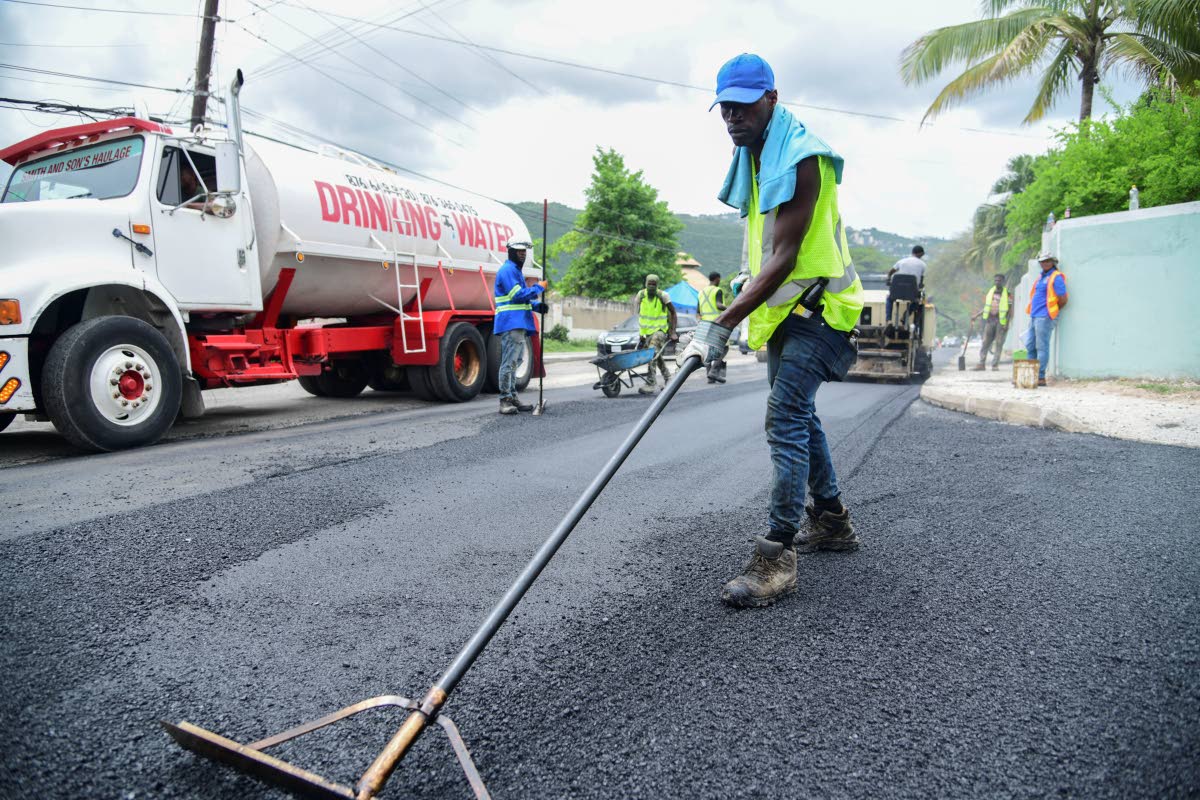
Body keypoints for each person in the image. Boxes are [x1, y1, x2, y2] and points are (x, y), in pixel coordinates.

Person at [677, 53, 864, 609]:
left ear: (772, 99)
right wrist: (743, 292)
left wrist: (720, 322)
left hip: (823, 309)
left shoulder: (803, 157)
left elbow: (784, 256)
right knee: (800, 415)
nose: (732, 117)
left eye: (743, 105)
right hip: (790, 311)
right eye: (725, 107)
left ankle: (776, 554)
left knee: (784, 416)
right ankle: (831, 520)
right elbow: (771, 253)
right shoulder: (759, 156)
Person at [492, 237, 548, 414]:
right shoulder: (508, 270)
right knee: (509, 362)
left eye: (525, 252)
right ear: (512, 252)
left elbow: (521, 301)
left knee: (516, 361)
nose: (523, 255)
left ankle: (512, 397)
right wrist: (538, 288)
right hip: (511, 323)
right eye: (519, 252)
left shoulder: (515, 271)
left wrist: (538, 306)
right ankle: (504, 401)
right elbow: (517, 295)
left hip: (518, 322)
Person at [1024, 252, 1067, 387]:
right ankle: (1030, 376)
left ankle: (1040, 377)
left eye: (1047, 261)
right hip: (1034, 315)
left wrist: (1052, 312)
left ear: (1053, 262)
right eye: (1042, 261)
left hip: (1045, 316)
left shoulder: (1056, 277)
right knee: (1030, 345)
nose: (1045, 263)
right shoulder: (1041, 277)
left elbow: (1063, 298)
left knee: (1041, 346)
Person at [633, 274, 677, 394]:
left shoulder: (663, 296)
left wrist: (672, 332)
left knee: (651, 352)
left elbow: (673, 313)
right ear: (645, 284)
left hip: (660, 330)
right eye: (649, 284)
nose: (651, 286)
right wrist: (641, 334)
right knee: (656, 356)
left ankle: (651, 383)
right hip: (646, 333)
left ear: (657, 285)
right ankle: (668, 378)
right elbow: (639, 316)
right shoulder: (641, 295)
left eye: (654, 284)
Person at [972, 274, 1009, 371]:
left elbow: (1010, 311)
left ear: (1003, 282)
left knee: (999, 343)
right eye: (996, 280)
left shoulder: (1007, 294)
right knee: (985, 342)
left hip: (1001, 322)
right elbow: (986, 307)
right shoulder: (990, 292)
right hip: (990, 321)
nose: (997, 282)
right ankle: (981, 363)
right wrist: (976, 315)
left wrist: (1006, 323)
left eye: (999, 280)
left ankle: (995, 365)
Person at [697, 271, 728, 383]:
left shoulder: (701, 293)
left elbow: (698, 310)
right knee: (725, 348)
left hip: (704, 324)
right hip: (716, 323)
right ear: (717, 279)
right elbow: (719, 305)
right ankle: (713, 371)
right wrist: (730, 308)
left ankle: (709, 376)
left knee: (707, 349)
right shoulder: (717, 290)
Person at [885, 245, 925, 326]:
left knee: (889, 299)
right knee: (917, 301)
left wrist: (888, 279)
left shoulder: (902, 261)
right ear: (921, 254)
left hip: (897, 292)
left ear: (912, 252)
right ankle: (905, 316)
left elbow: (891, 272)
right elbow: (920, 283)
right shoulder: (923, 265)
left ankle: (888, 320)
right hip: (911, 294)